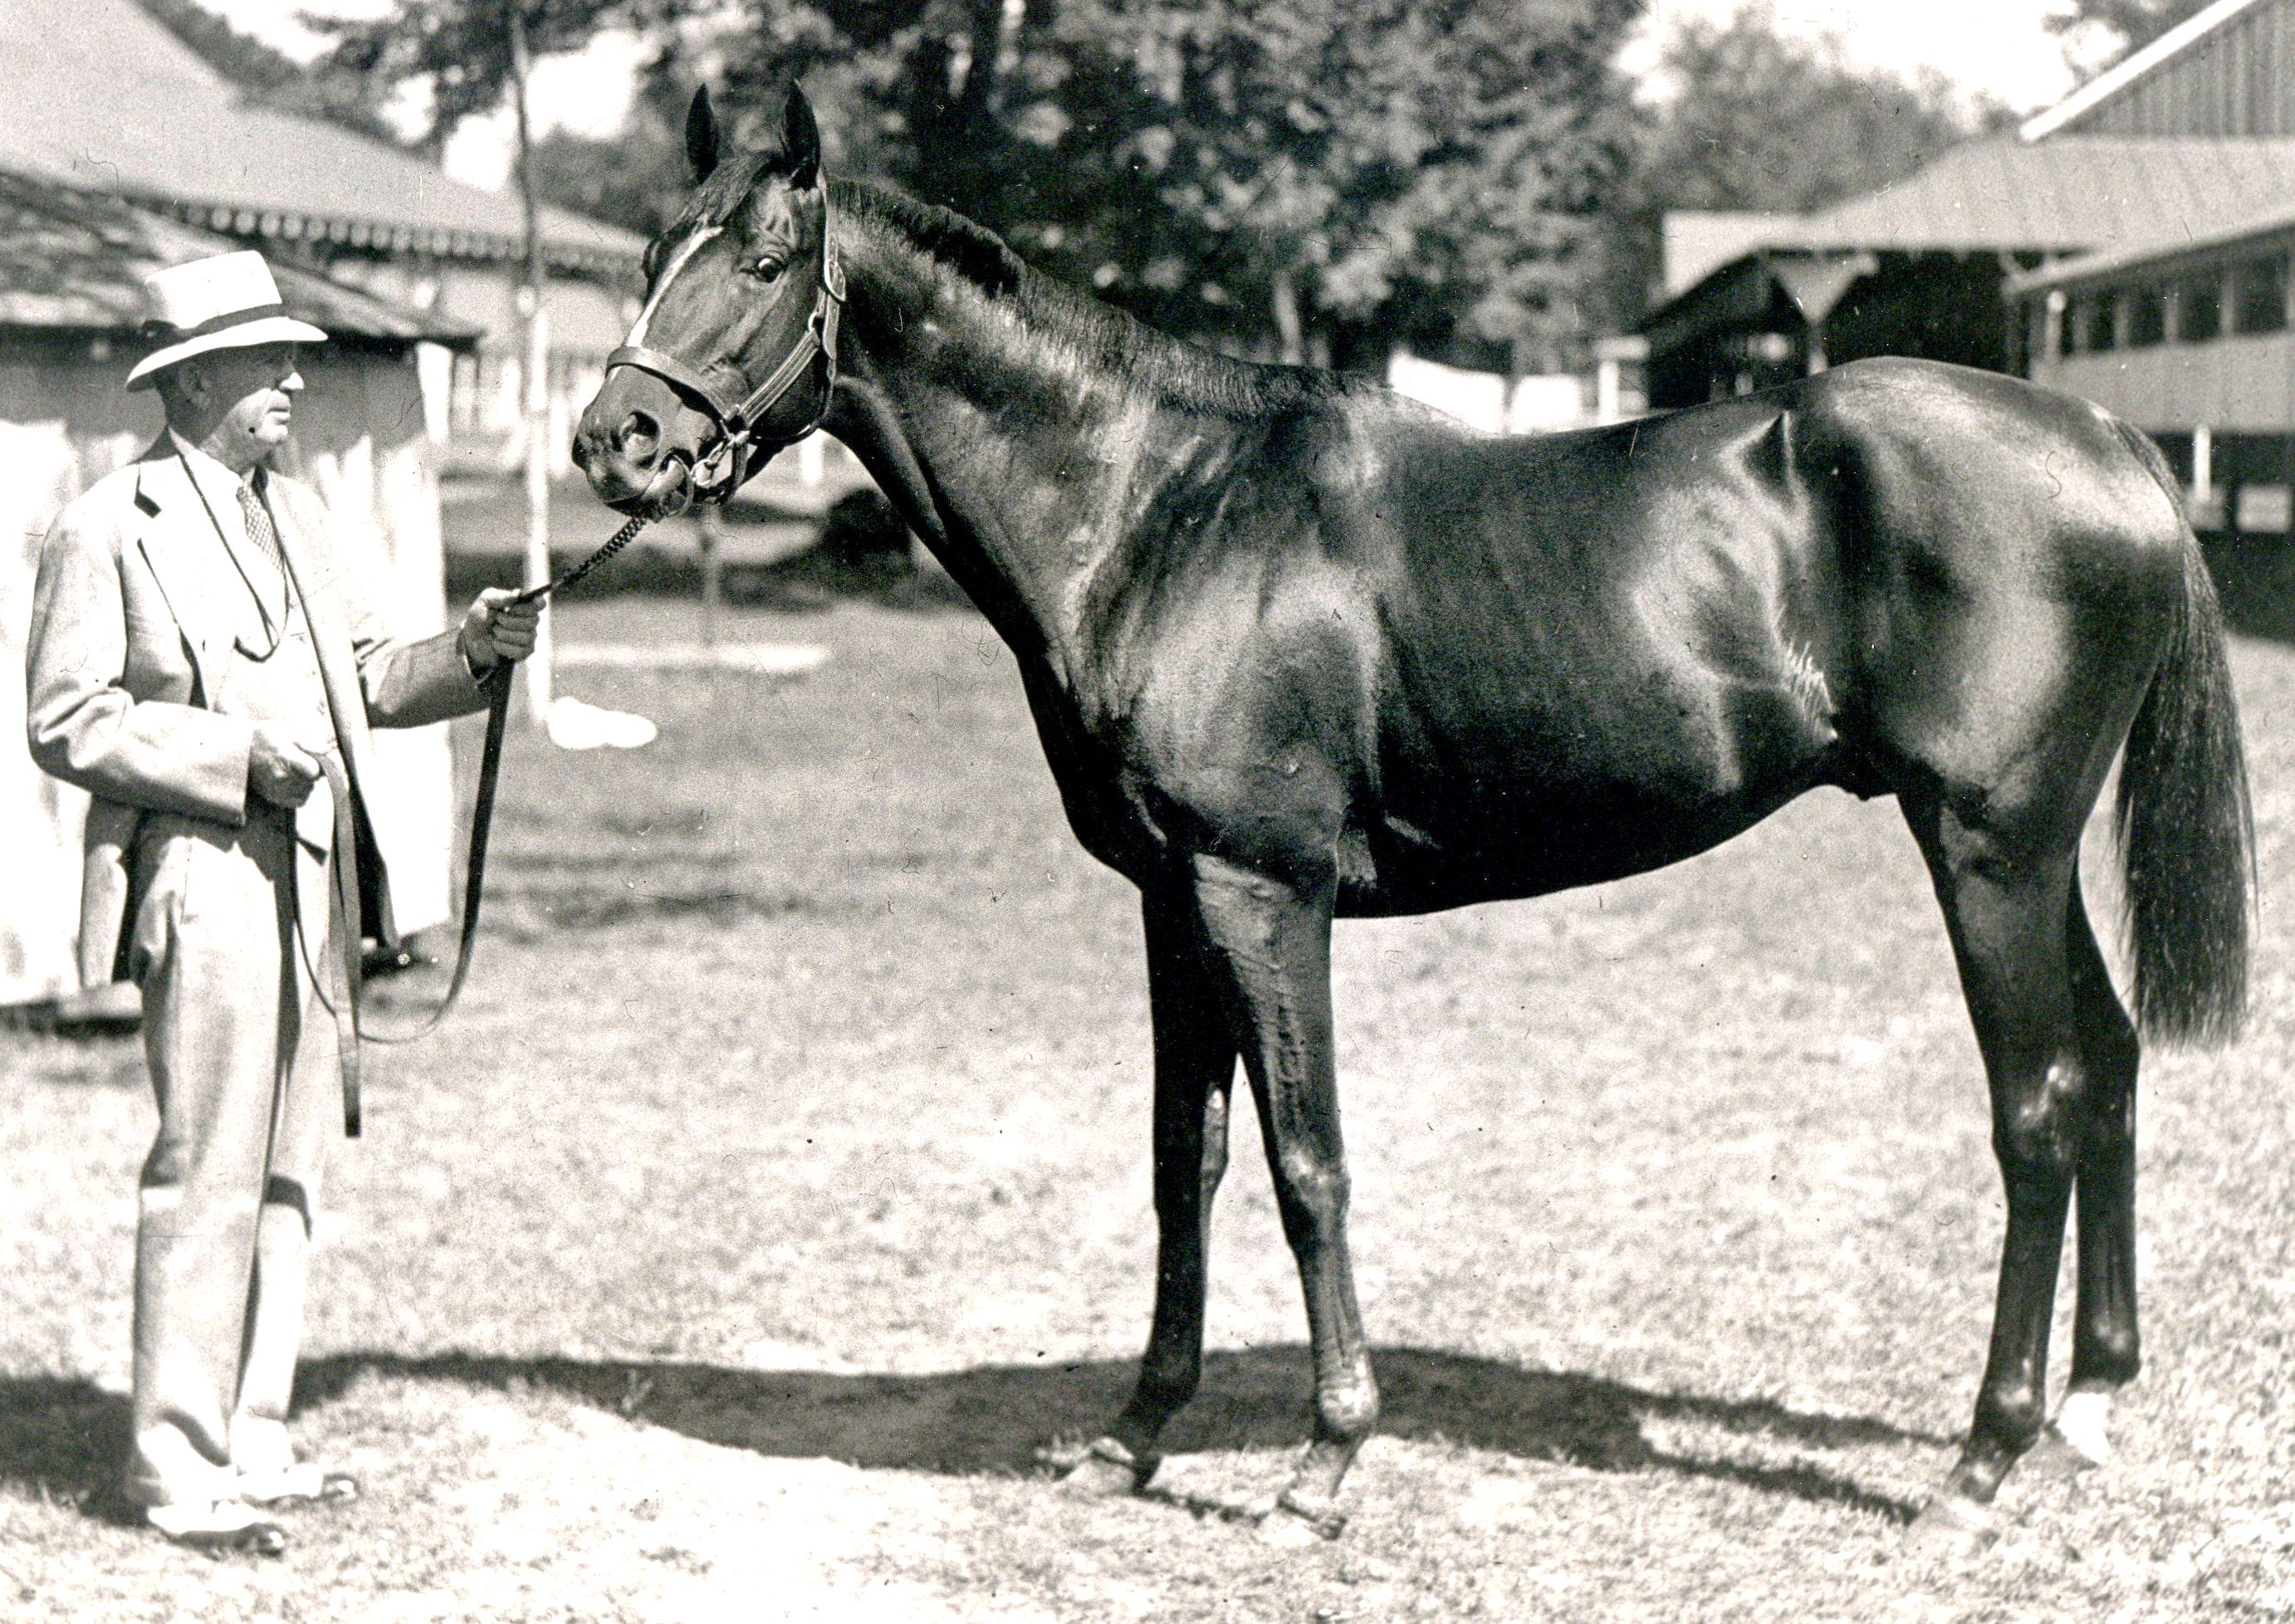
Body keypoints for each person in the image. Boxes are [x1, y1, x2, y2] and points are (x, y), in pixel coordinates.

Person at [22, 250, 541, 1554]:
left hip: (320, 873)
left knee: (292, 1166)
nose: (297, 380)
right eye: (270, 359)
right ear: (196, 378)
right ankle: (175, 1462)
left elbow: (369, 675)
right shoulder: (107, 525)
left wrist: (472, 654)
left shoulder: (300, 513)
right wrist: (227, 758)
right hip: (198, 873)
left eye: (296, 359)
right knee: (208, 1162)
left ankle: (254, 1432)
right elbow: (65, 718)